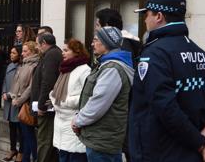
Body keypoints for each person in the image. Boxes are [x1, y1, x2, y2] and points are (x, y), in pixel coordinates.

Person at [129, 0, 205, 162]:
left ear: (159, 17)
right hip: (190, 153)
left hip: (160, 152)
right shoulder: (199, 53)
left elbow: (165, 107)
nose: (145, 20)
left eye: (147, 14)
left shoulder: (155, 53)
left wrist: (200, 142)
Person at [71, 27, 134, 162]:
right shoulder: (107, 64)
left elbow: (98, 103)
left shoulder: (112, 68)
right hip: (101, 138)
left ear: (107, 43)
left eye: (96, 40)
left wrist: (78, 121)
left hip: (103, 141)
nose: (92, 44)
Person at [50, 39, 91, 162]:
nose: (63, 53)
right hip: (59, 122)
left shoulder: (85, 70)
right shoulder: (65, 68)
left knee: (75, 157)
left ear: (76, 52)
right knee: (63, 157)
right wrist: (53, 96)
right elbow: (56, 91)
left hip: (73, 122)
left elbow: (87, 96)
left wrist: (65, 101)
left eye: (66, 50)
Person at [31, 33, 63, 162]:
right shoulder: (50, 54)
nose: (38, 48)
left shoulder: (52, 55)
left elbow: (48, 81)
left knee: (44, 140)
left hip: (47, 108)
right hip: (46, 105)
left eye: (38, 44)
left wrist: (41, 104)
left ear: (44, 43)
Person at [9, 42, 40, 162]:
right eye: (22, 51)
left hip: (26, 103)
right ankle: (26, 159)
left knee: (29, 135)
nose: (22, 53)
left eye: (25, 51)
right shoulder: (24, 64)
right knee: (25, 135)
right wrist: (12, 95)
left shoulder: (34, 65)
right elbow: (17, 82)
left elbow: (31, 87)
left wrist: (19, 100)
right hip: (18, 101)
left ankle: (36, 158)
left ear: (33, 51)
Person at [3, 45, 28, 162]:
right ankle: (13, 149)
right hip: (8, 102)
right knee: (11, 127)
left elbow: (18, 85)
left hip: (16, 100)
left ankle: (21, 152)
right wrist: (3, 92)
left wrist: (9, 94)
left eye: (14, 53)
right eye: (11, 52)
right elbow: (5, 81)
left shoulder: (22, 67)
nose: (11, 55)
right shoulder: (9, 66)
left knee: (20, 128)